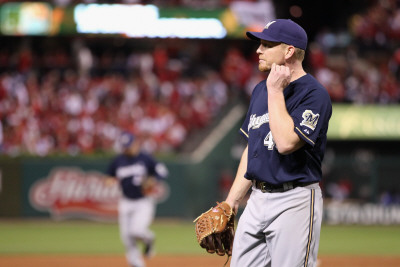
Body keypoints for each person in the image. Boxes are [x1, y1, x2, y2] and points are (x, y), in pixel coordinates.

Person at [224, 19, 332, 267]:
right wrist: (231, 202)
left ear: (289, 51)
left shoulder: (314, 94)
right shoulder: (260, 90)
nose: (258, 50)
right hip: (256, 199)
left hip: (294, 199)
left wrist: (275, 91)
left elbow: (284, 143)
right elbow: (253, 148)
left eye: (266, 44)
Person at [106, 131, 168, 267]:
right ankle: (136, 263)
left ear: (135, 143)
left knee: (137, 231)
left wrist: (153, 179)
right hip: (125, 201)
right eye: (124, 147)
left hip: (143, 201)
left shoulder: (145, 158)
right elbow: (109, 175)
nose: (127, 149)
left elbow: (162, 171)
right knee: (126, 237)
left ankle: (149, 239)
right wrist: (109, 181)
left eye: (128, 146)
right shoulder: (119, 160)